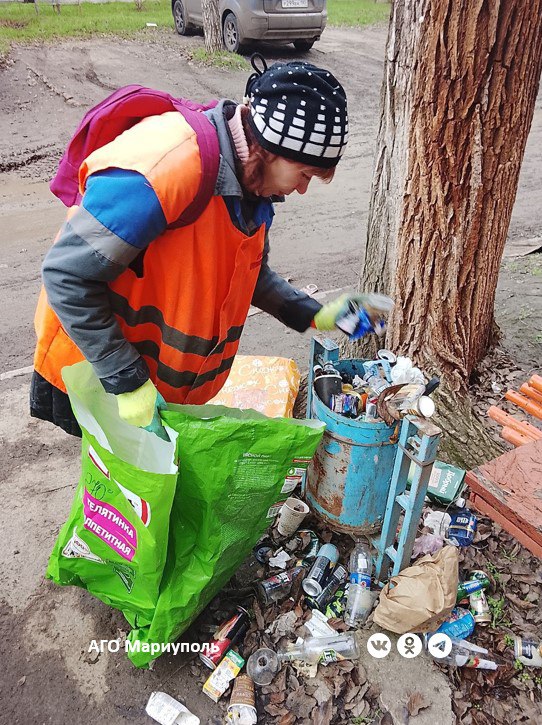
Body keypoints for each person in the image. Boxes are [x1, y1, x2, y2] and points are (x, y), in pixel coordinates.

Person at [31, 55, 361, 437]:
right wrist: (126, 380)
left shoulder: (251, 186)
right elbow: (66, 275)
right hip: (98, 374)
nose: (301, 189)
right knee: (113, 475)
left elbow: (249, 275)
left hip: (155, 390)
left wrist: (315, 314)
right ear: (269, 148)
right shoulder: (168, 170)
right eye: (304, 174)